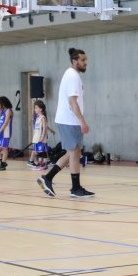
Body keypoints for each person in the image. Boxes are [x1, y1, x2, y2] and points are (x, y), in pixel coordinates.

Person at [36, 48, 95, 199]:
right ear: (74, 61)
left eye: (86, 59)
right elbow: (72, 101)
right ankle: (75, 188)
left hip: (68, 120)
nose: (85, 62)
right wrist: (82, 121)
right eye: (82, 60)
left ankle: (48, 178)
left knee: (73, 152)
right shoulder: (73, 76)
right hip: (69, 120)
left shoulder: (71, 74)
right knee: (74, 153)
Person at [29, 100, 53, 171]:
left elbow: (44, 128)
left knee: (43, 151)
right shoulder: (37, 117)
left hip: (41, 138)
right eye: (35, 108)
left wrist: (42, 136)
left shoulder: (42, 118)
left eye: (36, 108)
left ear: (41, 109)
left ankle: (45, 164)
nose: (35, 109)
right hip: (36, 138)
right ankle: (40, 164)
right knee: (38, 152)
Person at [0, 96, 13, 171]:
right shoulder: (3, 111)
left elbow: (6, 122)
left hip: (5, 131)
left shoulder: (8, 110)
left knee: (4, 148)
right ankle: (2, 162)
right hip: (0, 130)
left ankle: (3, 163)